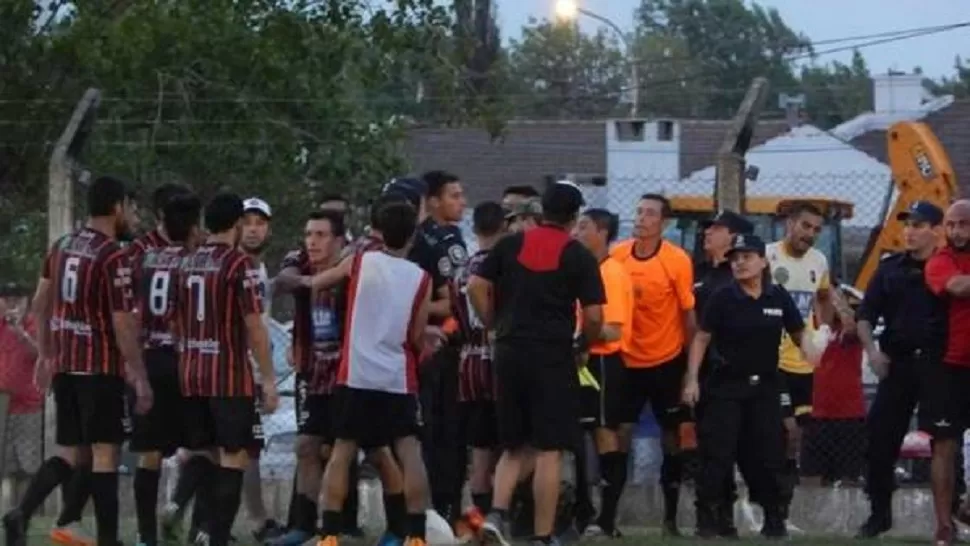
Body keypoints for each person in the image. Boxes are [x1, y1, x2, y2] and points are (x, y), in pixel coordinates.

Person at [2, 175, 151, 546]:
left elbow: (41, 301)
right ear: (117, 207)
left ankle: (21, 513)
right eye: (129, 207)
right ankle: (107, 538)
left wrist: (48, 353)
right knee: (105, 453)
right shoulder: (112, 255)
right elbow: (121, 322)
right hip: (99, 367)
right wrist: (137, 370)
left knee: (71, 452)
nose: (131, 214)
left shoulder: (63, 245)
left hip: (67, 366)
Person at [467, 181, 606, 546]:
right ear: (574, 218)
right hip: (552, 355)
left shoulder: (510, 245)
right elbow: (593, 316)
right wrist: (583, 344)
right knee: (549, 449)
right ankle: (543, 536)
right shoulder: (578, 256)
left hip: (509, 352)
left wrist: (493, 324)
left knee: (515, 445)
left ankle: (496, 513)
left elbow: (475, 287)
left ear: (542, 211)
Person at [683, 233, 821, 539]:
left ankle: (774, 519)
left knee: (768, 455)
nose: (740, 263)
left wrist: (811, 351)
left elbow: (799, 332)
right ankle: (709, 520)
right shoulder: (723, 297)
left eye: (746, 257)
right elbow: (702, 338)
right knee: (717, 455)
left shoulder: (778, 296)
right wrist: (692, 379)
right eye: (735, 258)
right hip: (726, 387)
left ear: (762, 261)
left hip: (765, 388)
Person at [317, 201, 433, 546]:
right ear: (413, 235)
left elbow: (319, 281)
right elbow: (416, 335)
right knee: (409, 451)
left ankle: (329, 534)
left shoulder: (360, 261)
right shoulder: (421, 277)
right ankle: (416, 535)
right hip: (397, 376)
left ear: (378, 231)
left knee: (342, 452)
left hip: (356, 374)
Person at [173, 193, 279, 546]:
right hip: (228, 375)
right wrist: (268, 379)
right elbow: (254, 327)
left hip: (191, 372)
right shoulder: (239, 265)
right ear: (235, 225)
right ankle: (215, 536)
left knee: (204, 452)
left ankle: (180, 509)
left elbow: (175, 319)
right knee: (235, 457)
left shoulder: (187, 262)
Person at [608, 193, 696, 536]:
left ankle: (671, 519)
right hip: (626, 360)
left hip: (666, 360)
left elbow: (689, 315)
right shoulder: (617, 256)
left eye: (650, 214)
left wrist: (690, 368)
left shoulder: (677, 260)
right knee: (620, 435)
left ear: (664, 222)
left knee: (672, 437)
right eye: (639, 211)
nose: (641, 218)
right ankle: (609, 519)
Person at [765, 201, 854, 519]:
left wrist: (824, 330)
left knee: (796, 436)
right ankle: (769, 504)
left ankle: (780, 513)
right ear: (790, 224)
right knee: (784, 430)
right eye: (805, 226)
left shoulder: (819, 260)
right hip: (770, 361)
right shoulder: (767, 256)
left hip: (802, 363)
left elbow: (823, 296)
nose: (810, 234)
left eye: (816, 230)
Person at [129, 193, 204, 546]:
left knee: (150, 453)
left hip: (149, 359)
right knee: (205, 444)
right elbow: (182, 316)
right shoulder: (192, 263)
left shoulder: (144, 258)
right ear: (192, 226)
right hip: (182, 361)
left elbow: (133, 311)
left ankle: (146, 537)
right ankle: (189, 520)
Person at [271, 210, 347, 546]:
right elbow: (283, 279)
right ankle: (304, 525)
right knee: (306, 446)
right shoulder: (300, 262)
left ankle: (405, 525)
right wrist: (309, 281)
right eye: (308, 234)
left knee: (363, 452)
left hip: (348, 375)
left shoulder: (353, 268)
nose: (312, 242)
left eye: (320, 235)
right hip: (312, 373)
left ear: (339, 240)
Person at [691, 210, 754, 537]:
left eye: (715, 229)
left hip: (731, 374)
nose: (707, 234)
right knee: (708, 448)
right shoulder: (698, 272)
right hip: (700, 373)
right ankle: (708, 515)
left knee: (731, 447)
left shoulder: (740, 276)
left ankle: (725, 513)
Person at [572, 208, 634, 539]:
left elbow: (612, 331)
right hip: (579, 361)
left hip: (602, 363)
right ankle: (582, 511)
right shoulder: (584, 269)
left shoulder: (612, 273)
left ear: (602, 232)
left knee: (604, 433)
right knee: (579, 436)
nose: (576, 232)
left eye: (584, 227)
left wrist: (580, 340)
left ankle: (607, 517)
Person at [454, 202, 506, 529]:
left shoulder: (463, 267)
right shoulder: (499, 267)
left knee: (479, 454)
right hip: (495, 362)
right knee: (506, 447)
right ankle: (493, 520)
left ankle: (476, 523)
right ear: (502, 228)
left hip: (468, 364)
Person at [238, 196, 286, 542]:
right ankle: (255, 520)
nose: (253, 229)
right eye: (247, 222)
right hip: (232, 369)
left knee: (245, 448)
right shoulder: (236, 265)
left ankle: (257, 518)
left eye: (260, 223)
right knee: (241, 448)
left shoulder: (259, 267)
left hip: (251, 368)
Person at [922, 200, 970, 546]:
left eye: (963, 225)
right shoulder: (939, 260)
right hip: (949, 366)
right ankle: (944, 526)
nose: (956, 231)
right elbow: (956, 287)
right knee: (944, 445)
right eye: (951, 224)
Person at [0, 285, 40, 507]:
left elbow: (39, 354)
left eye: (18, 299)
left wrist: (20, 332)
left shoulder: (34, 324)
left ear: (27, 301)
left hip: (28, 406)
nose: (13, 303)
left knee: (28, 467)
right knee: (6, 468)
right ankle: (6, 511)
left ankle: (22, 514)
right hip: (3, 405)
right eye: (8, 298)